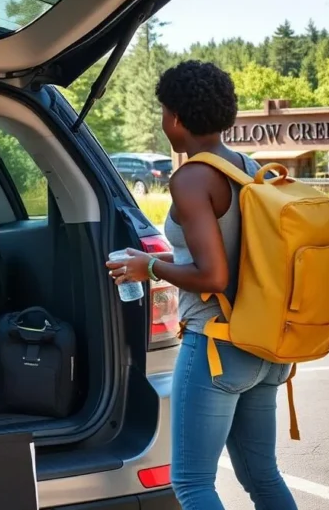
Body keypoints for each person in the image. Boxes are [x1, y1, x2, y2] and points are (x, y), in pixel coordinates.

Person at [104, 61, 297, 510]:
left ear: (175, 117)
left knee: (191, 483)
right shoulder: (247, 168)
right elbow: (226, 253)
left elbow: (213, 276)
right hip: (264, 345)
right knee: (262, 476)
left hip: (216, 349)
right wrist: (153, 260)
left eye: (163, 111)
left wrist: (149, 271)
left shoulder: (191, 178)